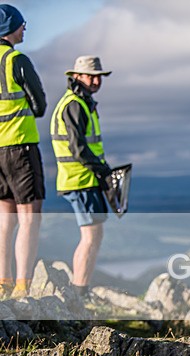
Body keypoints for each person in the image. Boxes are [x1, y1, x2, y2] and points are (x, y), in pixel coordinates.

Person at [50, 56, 113, 298]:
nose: (96, 81)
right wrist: (102, 170)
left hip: (82, 179)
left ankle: (79, 289)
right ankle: (79, 293)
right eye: (91, 76)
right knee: (91, 236)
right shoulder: (75, 104)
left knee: (92, 235)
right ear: (77, 76)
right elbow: (79, 149)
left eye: (99, 76)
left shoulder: (80, 102)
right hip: (80, 179)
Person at [0, 4, 46, 299]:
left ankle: (1, 283)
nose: (25, 28)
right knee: (30, 218)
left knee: (5, 219)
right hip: (21, 147)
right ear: (9, 28)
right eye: (21, 24)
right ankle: (22, 288)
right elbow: (39, 105)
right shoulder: (17, 60)